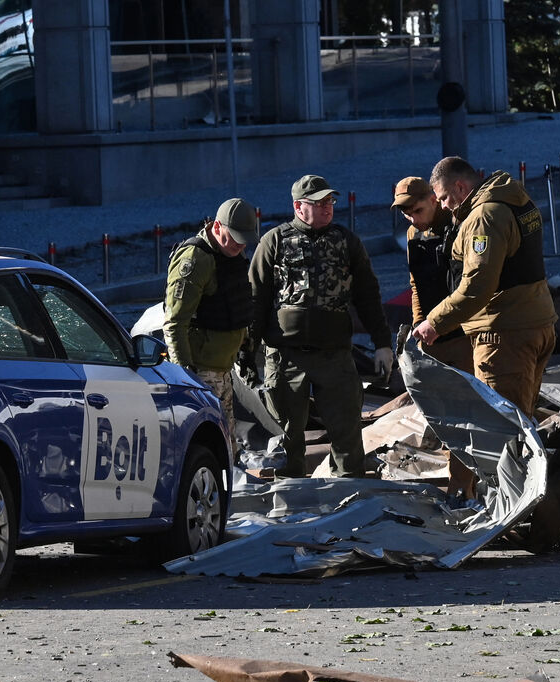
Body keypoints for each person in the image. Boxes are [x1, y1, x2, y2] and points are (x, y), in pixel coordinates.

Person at [244, 174, 393, 478]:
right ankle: (290, 508)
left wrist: (382, 344)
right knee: (286, 437)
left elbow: (368, 296)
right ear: (299, 206)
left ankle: (349, 502)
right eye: (319, 202)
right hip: (286, 357)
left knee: (347, 433)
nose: (328, 207)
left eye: (330, 201)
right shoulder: (274, 241)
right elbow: (255, 301)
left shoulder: (346, 241)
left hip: (335, 356)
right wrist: (246, 354)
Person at [412, 157, 557, 419]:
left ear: (459, 187)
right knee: (521, 421)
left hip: (503, 335)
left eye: (444, 197)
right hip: (535, 322)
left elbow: (477, 286)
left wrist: (434, 322)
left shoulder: (484, 217)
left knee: (502, 427)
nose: (444, 205)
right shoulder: (515, 198)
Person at [163, 197, 258, 452]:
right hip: (201, 372)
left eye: (244, 239)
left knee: (227, 447)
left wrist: (246, 350)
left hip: (224, 370)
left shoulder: (230, 253)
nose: (240, 244)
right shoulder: (195, 260)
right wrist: (185, 377)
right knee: (210, 446)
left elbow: (236, 304)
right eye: (234, 237)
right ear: (217, 227)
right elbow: (174, 323)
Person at [391, 176, 473, 373]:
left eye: (418, 211)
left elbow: (473, 286)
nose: (414, 219)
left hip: (465, 332)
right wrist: (419, 323)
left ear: (433, 199)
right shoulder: (412, 233)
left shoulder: (460, 225)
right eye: (407, 214)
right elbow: (416, 284)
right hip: (432, 333)